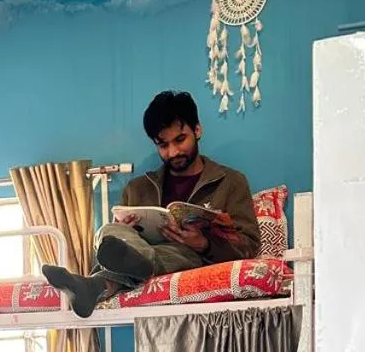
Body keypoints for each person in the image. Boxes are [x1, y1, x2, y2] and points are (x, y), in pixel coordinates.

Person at [43, 90, 261, 317]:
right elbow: (113, 246)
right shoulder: (137, 188)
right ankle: (131, 265)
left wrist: (204, 244)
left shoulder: (230, 182)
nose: (173, 152)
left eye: (180, 140)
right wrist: (125, 231)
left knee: (177, 251)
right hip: (141, 249)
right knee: (109, 230)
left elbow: (250, 245)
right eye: (163, 145)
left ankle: (95, 285)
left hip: (190, 256)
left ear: (197, 130)